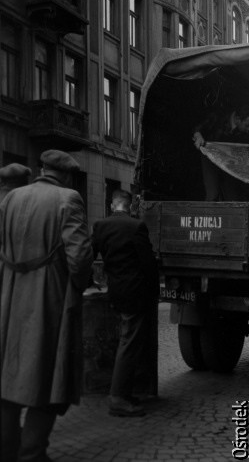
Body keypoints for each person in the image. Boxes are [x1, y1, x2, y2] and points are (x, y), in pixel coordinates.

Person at [0, 149, 93, 462]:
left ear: (40, 169)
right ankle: (32, 452)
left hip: (10, 296)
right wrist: (79, 286)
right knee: (49, 371)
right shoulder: (68, 199)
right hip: (49, 297)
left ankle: (7, 449)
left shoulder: (10, 199)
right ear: (65, 174)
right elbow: (79, 259)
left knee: (8, 372)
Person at [92, 189, 159, 417]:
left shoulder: (100, 226)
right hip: (136, 294)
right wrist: (153, 292)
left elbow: (89, 255)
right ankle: (118, 397)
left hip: (116, 292)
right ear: (129, 206)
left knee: (127, 341)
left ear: (112, 205)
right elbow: (148, 264)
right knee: (129, 343)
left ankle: (125, 392)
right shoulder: (135, 226)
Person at [192, 105, 249, 201]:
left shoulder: (246, 127)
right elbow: (198, 126)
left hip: (228, 160)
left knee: (232, 196)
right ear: (238, 119)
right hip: (210, 158)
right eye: (247, 126)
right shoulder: (218, 117)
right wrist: (198, 134)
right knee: (213, 193)